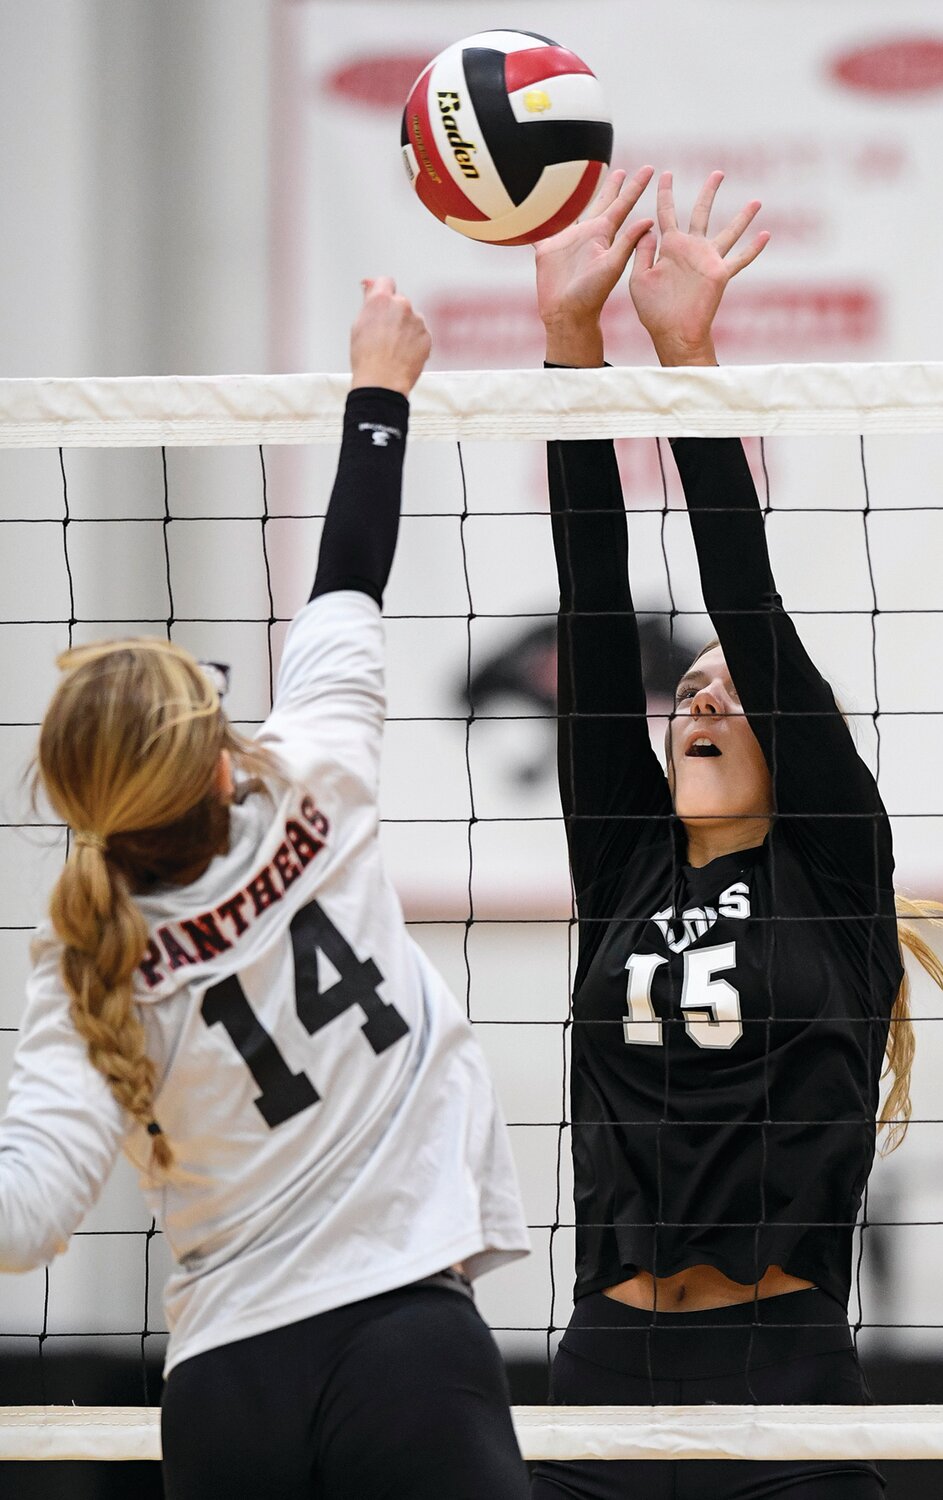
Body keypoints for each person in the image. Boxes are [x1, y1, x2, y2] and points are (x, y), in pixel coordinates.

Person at [0, 281, 531, 1500]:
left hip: (223, 1390)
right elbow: (350, 570)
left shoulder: (80, 948)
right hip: (397, 1341)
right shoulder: (316, 776)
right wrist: (380, 387)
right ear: (219, 749)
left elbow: (28, 1214)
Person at [530, 168, 943, 1500]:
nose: (704, 697)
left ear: (791, 734)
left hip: (780, 1393)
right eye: (692, 691)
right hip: (601, 1379)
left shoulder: (833, 873)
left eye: (735, 692)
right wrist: (567, 353)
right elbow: (593, 599)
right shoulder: (622, 862)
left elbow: (745, 597)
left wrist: (687, 362)